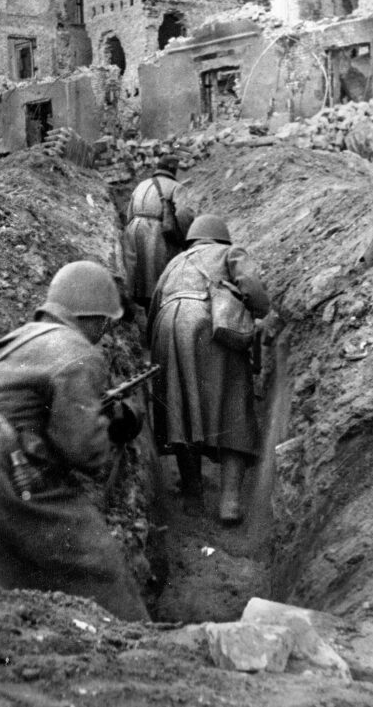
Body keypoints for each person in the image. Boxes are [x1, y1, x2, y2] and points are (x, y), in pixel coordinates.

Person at [0, 261, 147, 621]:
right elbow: (81, 449)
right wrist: (111, 427)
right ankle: (138, 642)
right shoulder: (80, 353)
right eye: (105, 321)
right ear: (93, 316)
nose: (105, 330)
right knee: (97, 560)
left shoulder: (18, 338)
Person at [147, 213, 271, 526]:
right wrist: (261, 313)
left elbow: (152, 307)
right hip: (209, 324)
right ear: (221, 237)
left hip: (167, 327)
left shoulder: (174, 263)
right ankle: (229, 502)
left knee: (181, 413)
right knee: (234, 407)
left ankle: (192, 496)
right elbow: (253, 288)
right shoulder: (230, 253)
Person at [124, 154, 194, 314]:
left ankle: (133, 308)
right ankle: (155, 314)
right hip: (154, 231)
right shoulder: (176, 187)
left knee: (136, 274)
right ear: (173, 170)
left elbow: (129, 213)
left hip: (133, 228)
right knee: (155, 277)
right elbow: (184, 213)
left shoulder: (141, 185)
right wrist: (186, 237)